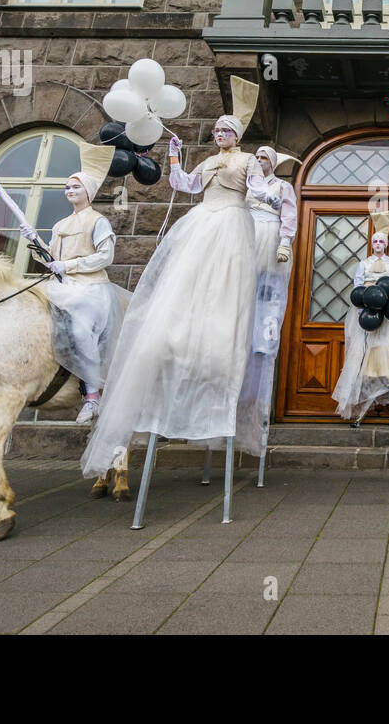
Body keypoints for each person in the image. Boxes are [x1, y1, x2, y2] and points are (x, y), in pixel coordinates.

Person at [80, 78, 271, 478]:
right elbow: (186, 187)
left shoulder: (246, 160)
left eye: (225, 131)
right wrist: (174, 159)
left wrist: (267, 195)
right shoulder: (210, 160)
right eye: (217, 130)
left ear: (235, 136)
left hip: (231, 221)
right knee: (184, 278)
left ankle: (214, 336)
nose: (219, 135)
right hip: (204, 219)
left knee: (224, 279)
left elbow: (255, 188)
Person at [19, 141, 128, 425]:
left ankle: (92, 396)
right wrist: (35, 241)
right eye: (67, 187)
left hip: (91, 289)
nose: (70, 191)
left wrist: (68, 266)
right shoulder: (60, 225)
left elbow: (105, 257)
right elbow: (51, 258)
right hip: (64, 287)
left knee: (81, 333)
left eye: (76, 187)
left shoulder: (98, 221)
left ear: (88, 192)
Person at [224, 144, 298, 460]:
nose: (260, 162)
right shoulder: (246, 186)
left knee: (265, 297)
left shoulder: (282, 187)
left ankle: (260, 348)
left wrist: (284, 242)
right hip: (244, 237)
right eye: (257, 158)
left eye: (265, 158)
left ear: (274, 163)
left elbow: (289, 215)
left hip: (267, 238)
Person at [333, 212, 389, 425]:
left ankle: (387, 386)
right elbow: (358, 285)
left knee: (386, 348)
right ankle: (364, 391)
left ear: (386, 243)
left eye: (382, 240)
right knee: (363, 350)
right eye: (375, 241)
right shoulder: (363, 263)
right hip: (367, 312)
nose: (379, 244)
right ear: (371, 244)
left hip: (387, 314)